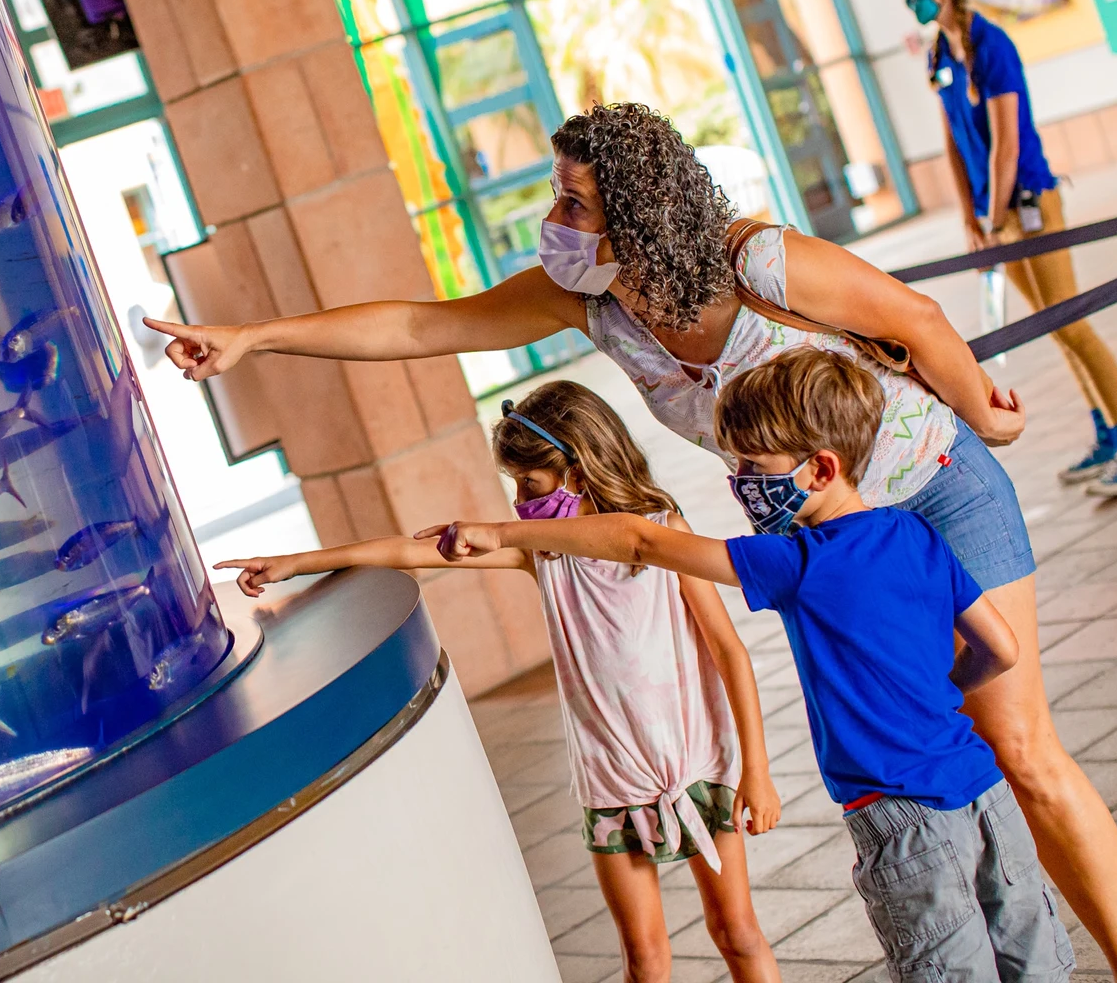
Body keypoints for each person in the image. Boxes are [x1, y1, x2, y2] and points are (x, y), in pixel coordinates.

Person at [145, 101, 1117, 983]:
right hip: (829, 544)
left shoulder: (752, 260)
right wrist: (254, 338)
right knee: (939, 756)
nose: (555, 220)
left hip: (934, 491)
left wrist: (991, 414)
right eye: (557, 195)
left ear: (638, 214)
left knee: (1017, 746)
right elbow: (421, 325)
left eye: (574, 202)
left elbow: (917, 316)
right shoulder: (591, 299)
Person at [422, 349, 1074, 983]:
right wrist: (940, 695)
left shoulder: (796, 563)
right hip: (987, 798)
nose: (740, 482)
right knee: (1034, 960)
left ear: (820, 469)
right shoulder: (917, 535)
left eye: (753, 466)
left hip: (903, 817)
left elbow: (640, 538)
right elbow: (1002, 648)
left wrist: (505, 533)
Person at [218, 380, 783, 983]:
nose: (519, 502)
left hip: (698, 762)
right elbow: (411, 552)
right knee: (644, 962)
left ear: (577, 469)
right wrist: (295, 563)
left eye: (530, 484)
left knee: (736, 933)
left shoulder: (660, 528)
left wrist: (758, 771)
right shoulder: (538, 553)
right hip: (612, 781)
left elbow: (729, 651)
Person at [903, 0, 1117, 497]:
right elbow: (952, 139)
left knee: (1072, 320)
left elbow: (1006, 145)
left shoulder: (991, 45)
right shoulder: (938, 55)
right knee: (1050, 324)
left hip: (1026, 205)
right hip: (993, 215)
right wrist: (969, 216)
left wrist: (993, 217)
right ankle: (1106, 436)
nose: (910, 2)